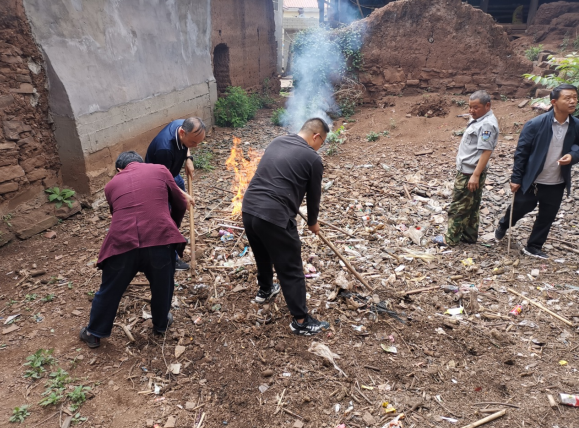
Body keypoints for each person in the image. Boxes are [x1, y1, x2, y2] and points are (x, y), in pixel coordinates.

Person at [79, 151, 188, 348]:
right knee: (163, 285)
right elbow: (181, 202)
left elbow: (118, 213)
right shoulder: (160, 170)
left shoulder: (111, 185)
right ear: (142, 162)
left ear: (119, 169)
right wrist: (171, 227)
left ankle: (94, 333)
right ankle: (161, 324)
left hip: (123, 243)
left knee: (110, 289)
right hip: (159, 240)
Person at [242, 118, 330, 336]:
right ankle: (301, 321)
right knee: (291, 267)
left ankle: (265, 290)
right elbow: (314, 197)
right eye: (322, 142)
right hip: (274, 214)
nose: (320, 147)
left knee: (262, 252)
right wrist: (313, 223)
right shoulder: (313, 159)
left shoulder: (277, 142)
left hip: (250, 208)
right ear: (316, 136)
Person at [495, 84, 579, 259]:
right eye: (568, 98)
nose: (573, 101)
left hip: (556, 181)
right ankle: (504, 224)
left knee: (547, 216)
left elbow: (578, 146)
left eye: (575, 97)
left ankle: (534, 246)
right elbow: (522, 152)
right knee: (519, 208)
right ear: (554, 102)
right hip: (533, 179)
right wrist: (516, 178)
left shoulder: (576, 125)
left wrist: (572, 156)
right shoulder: (535, 124)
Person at [433, 90, 499, 247]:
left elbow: (486, 151)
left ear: (487, 105)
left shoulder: (487, 124)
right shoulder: (480, 119)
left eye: (475, 107)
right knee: (472, 205)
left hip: (469, 172)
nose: (471, 110)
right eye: (470, 107)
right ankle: (469, 235)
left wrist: (475, 175)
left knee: (459, 205)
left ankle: (450, 238)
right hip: (472, 170)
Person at [145, 117, 206, 270]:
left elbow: (187, 146)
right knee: (165, 218)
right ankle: (170, 254)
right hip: (156, 182)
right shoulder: (164, 149)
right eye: (193, 142)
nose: (195, 145)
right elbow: (162, 179)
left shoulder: (182, 125)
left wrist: (189, 158)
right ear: (182, 133)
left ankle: (174, 232)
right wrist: (181, 195)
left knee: (179, 206)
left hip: (171, 173)